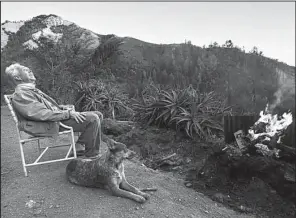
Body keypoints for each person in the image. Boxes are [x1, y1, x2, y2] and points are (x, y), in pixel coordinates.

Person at [5, 63, 103, 158]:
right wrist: (68, 114)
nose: (30, 70)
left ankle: (79, 145)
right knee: (93, 119)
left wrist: (63, 108)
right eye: (25, 70)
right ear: (18, 77)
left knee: (98, 114)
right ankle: (92, 156)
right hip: (47, 124)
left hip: (53, 120)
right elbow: (42, 114)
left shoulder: (28, 90)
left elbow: (44, 109)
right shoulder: (21, 94)